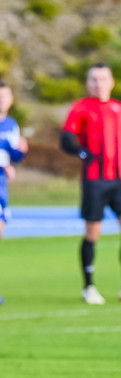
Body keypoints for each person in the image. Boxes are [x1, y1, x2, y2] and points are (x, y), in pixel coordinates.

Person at [61, 62, 121, 305]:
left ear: (111, 82)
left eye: (103, 79)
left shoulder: (120, 109)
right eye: (93, 79)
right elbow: (66, 139)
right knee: (93, 232)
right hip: (94, 180)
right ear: (88, 83)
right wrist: (82, 152)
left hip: (120, 180)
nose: (98, 83)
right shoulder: (80, 107)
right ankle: (88, 287)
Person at [0, 80, 28, 306]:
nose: (2, 100)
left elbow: (12, 155)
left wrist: (20, 153)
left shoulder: (11, 124)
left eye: (5, 96)